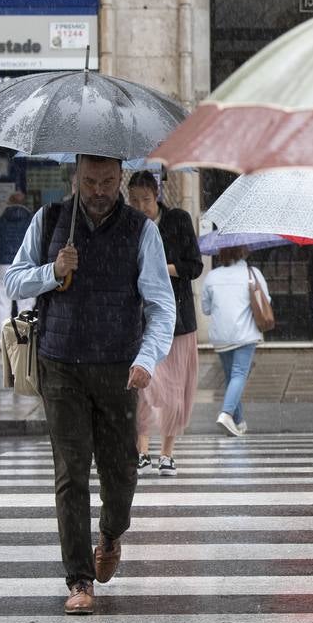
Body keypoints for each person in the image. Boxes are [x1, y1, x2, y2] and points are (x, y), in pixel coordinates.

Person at [4, 155, 175, 615]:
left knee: (121, 472)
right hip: (60, 365)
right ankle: (79, 578)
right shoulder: (51, 219)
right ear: (75, 178)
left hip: (119, 366)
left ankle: (112, 532)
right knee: (71, 473)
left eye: (106, 181)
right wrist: (52, 272)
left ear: (120, 178)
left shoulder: (143, 230)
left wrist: (146, 358)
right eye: (89, 181)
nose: (98, 190)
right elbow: (13, 281)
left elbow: (161, 303)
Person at [127, 171, 203, 475]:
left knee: (174, 389)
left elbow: (194, 265)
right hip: (139, 317)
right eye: (134, 200)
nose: (141, 206)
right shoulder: (129, 224)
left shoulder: (178, 220)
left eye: (145, 199)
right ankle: (141, 449)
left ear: (157, 194)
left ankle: (167, 452)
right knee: (141, 384)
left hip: (178, 318)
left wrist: (162, 269)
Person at [201, 245, 269, 437]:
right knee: (239, 374)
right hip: (244, 334)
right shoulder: (251, 273)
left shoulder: (212, 276)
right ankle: (226, 413)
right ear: (243, 252)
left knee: (232, 377)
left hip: (220, 336)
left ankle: (238, 421)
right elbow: (266, 300)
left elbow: (206, 308)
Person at [0, 192, 35, 336]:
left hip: (4, 266)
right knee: (25, 305)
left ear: (9, 203)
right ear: (25, 204)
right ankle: (24, 339)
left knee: (4, 304)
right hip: (26, 266)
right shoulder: (32, 222)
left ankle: (4, 341)